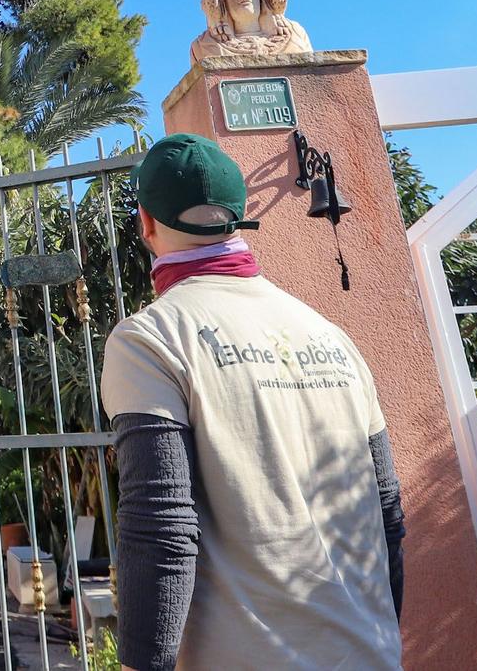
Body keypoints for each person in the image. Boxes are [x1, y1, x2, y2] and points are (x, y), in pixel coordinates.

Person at [101, 134, 405, 671]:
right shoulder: (332, 336)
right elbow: (386, 511)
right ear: (238, 215)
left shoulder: (150, 340)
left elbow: (161, 520)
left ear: (145, 222)